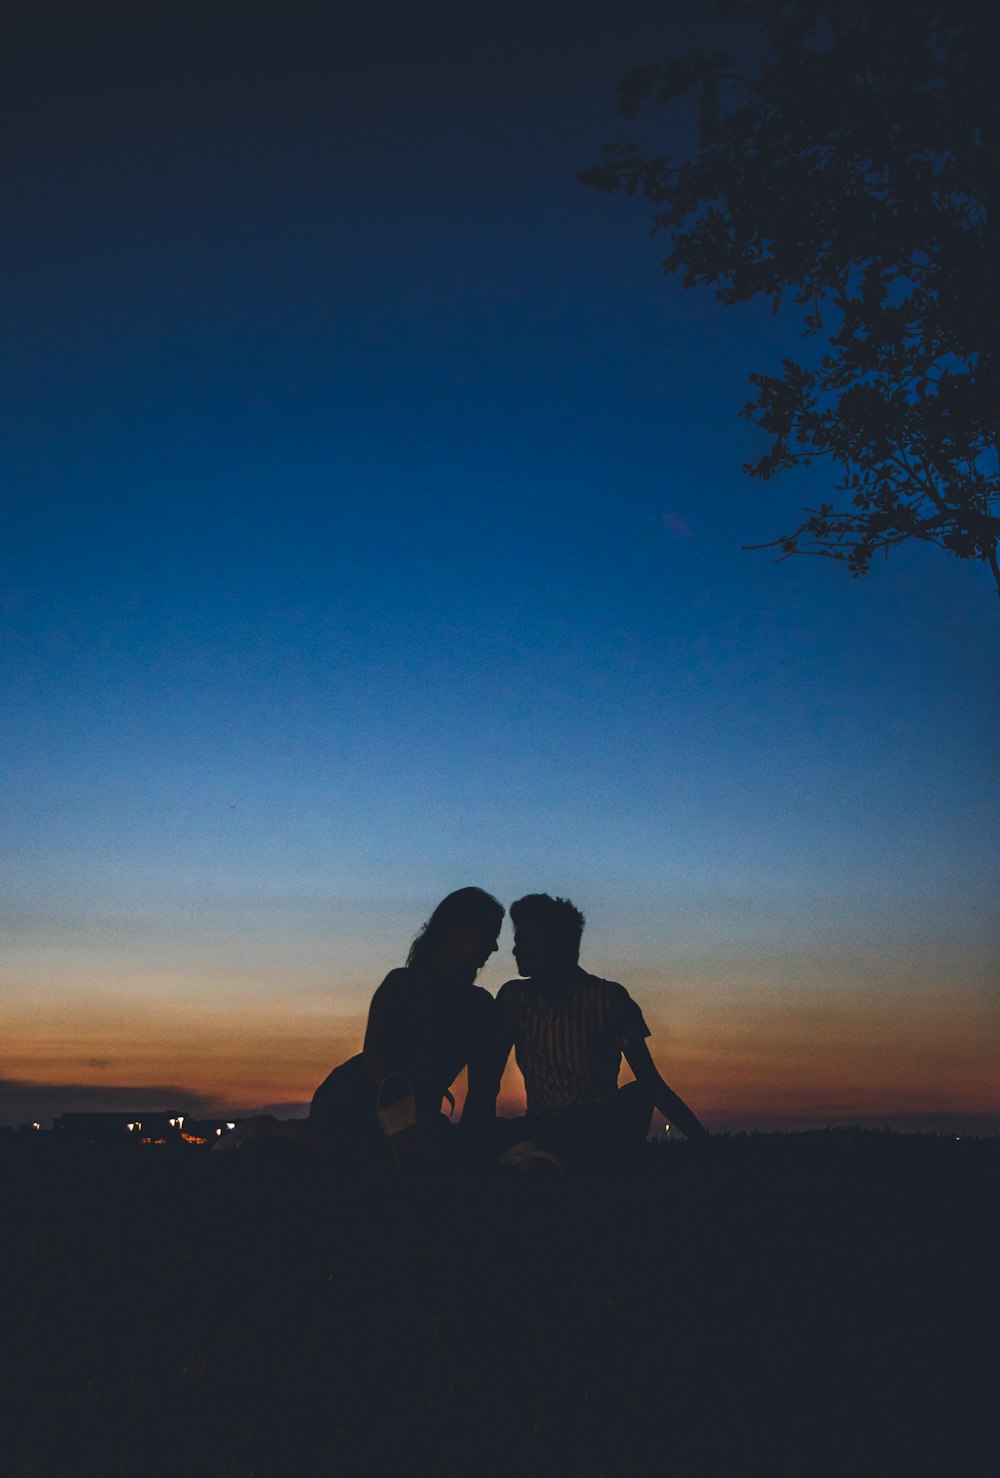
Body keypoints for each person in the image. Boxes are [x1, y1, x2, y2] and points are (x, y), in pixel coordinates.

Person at [492, 893, 706, 1171]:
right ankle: (543, 1156)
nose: (515, 951)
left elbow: (651, 1083)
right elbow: (490, 1076)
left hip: (597, 1123)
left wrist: (702, 1141)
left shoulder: (607, 998)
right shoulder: (513, 998)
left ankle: (546, 1157)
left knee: (640, 1093)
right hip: (542, 1123)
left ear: (557, 944)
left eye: (525, 942)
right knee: (504, 1131)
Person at [306, 887, 504, 1169]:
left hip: (413, 1119)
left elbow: (483, 1089)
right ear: (457, 931)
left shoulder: (481, 1005)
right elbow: (373, 1052)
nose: (495, 947)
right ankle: (262, 1130)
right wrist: (403, 1105)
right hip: (359, 1097)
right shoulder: (400, 984)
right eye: (489, 935)